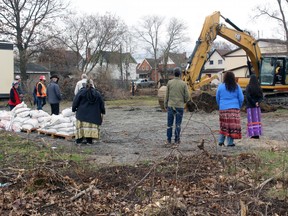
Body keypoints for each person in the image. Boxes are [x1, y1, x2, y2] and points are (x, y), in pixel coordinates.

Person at [72, 79, 105, 144]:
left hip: (82, 114)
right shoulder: (97, 93)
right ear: (92, 84)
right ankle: (89, 141)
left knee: (81, 128)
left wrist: (74, 109)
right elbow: (101, 103)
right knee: (90, 128)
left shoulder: (81, 92)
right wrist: (102, 111)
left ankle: (79, 141)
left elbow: (75, 101)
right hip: (93, 115)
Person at [216, 71, 244, 147]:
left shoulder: (220, 86)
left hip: (223, 109)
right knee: (232, 126)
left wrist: (221, 106)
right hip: (234, 108)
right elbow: (241, 98)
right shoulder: (236, 86)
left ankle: (221, 141)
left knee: (224, 125)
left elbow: (217, 98)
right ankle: (230, 143)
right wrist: (239, 106)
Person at [164, 67, 189, 146]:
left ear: (173, 74)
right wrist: (184, 102)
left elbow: (166, 95)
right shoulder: (183, 84)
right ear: (180, 74)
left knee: (169, 124)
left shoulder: (169, 83)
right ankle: (177, 140)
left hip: (171, 106)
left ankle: (168, 140)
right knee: (178, 124)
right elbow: (187, 96)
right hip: (180, 106)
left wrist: (165, 104)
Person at [246, 74, 263, 139]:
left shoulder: (249, 87)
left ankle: (252, 134)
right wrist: (257, 102)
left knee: (251, 120)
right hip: (257, 107)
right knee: (256, 120)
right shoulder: (259, 87)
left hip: (250, 106)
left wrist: (253, 102)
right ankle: (257, 134)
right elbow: (261, 97)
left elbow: (248, 96)